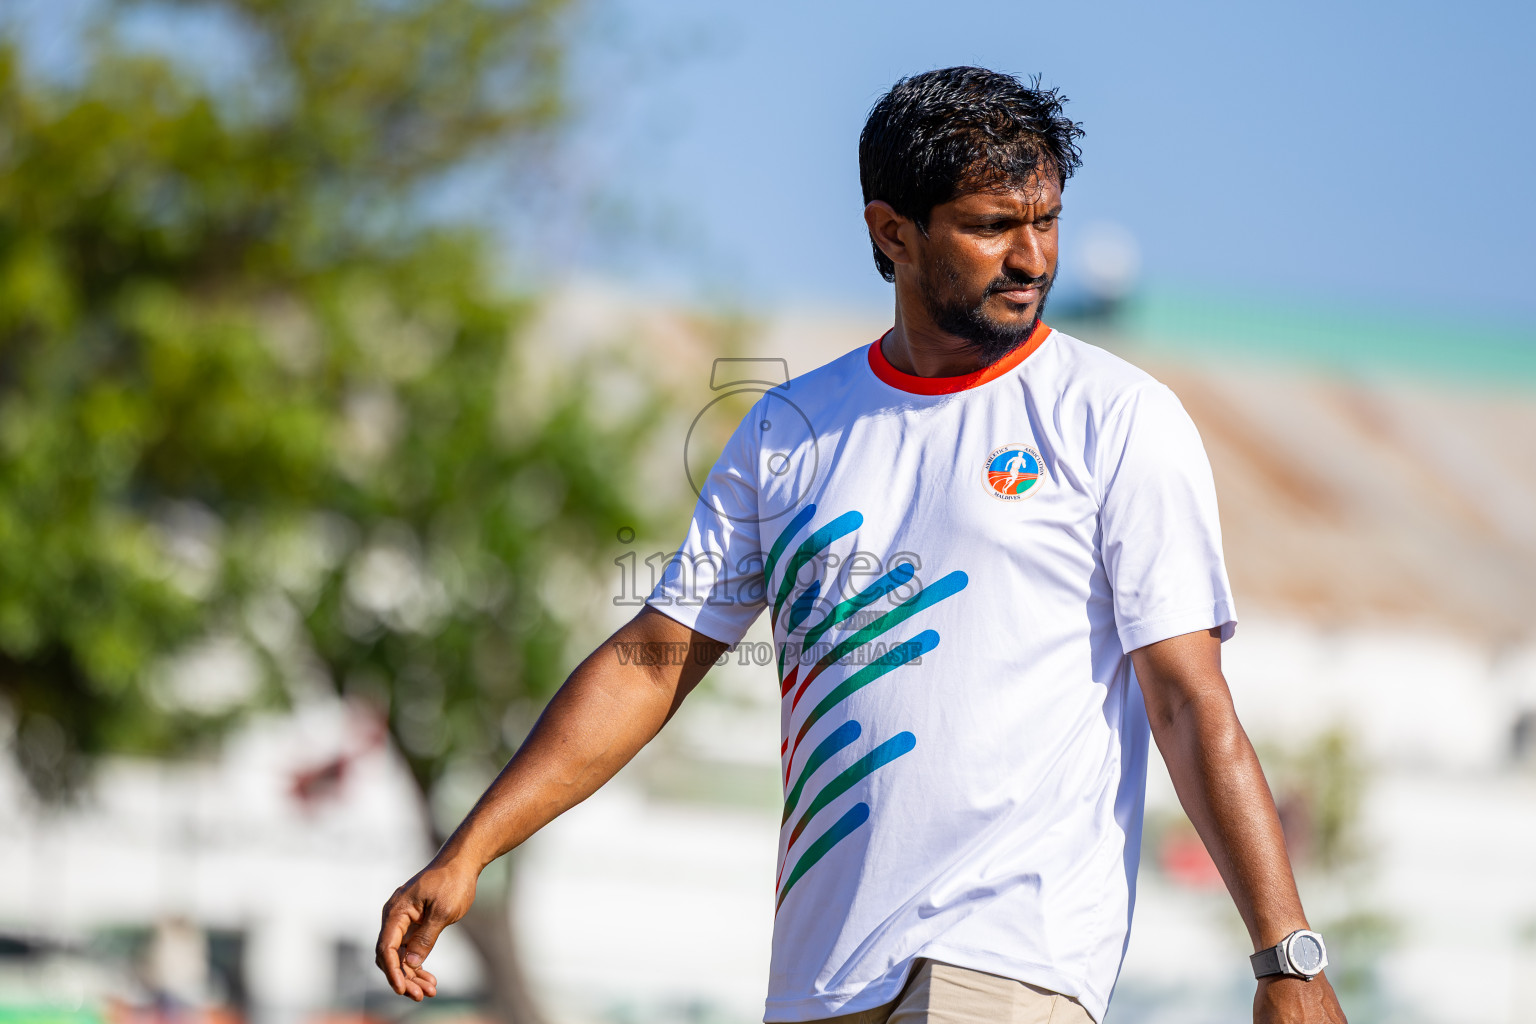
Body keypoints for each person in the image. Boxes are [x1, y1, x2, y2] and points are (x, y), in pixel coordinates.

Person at [375, 67, 1348, 1024]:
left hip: (1007, 958)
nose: (1032, 258)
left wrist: (1285, 953)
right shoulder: (790, 430)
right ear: (894, 231)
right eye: (990, 226)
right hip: (820, 978)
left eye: (1045, 221)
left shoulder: (1116, 419)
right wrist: (470, 849)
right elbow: (653, 661)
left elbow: (1186, 698)